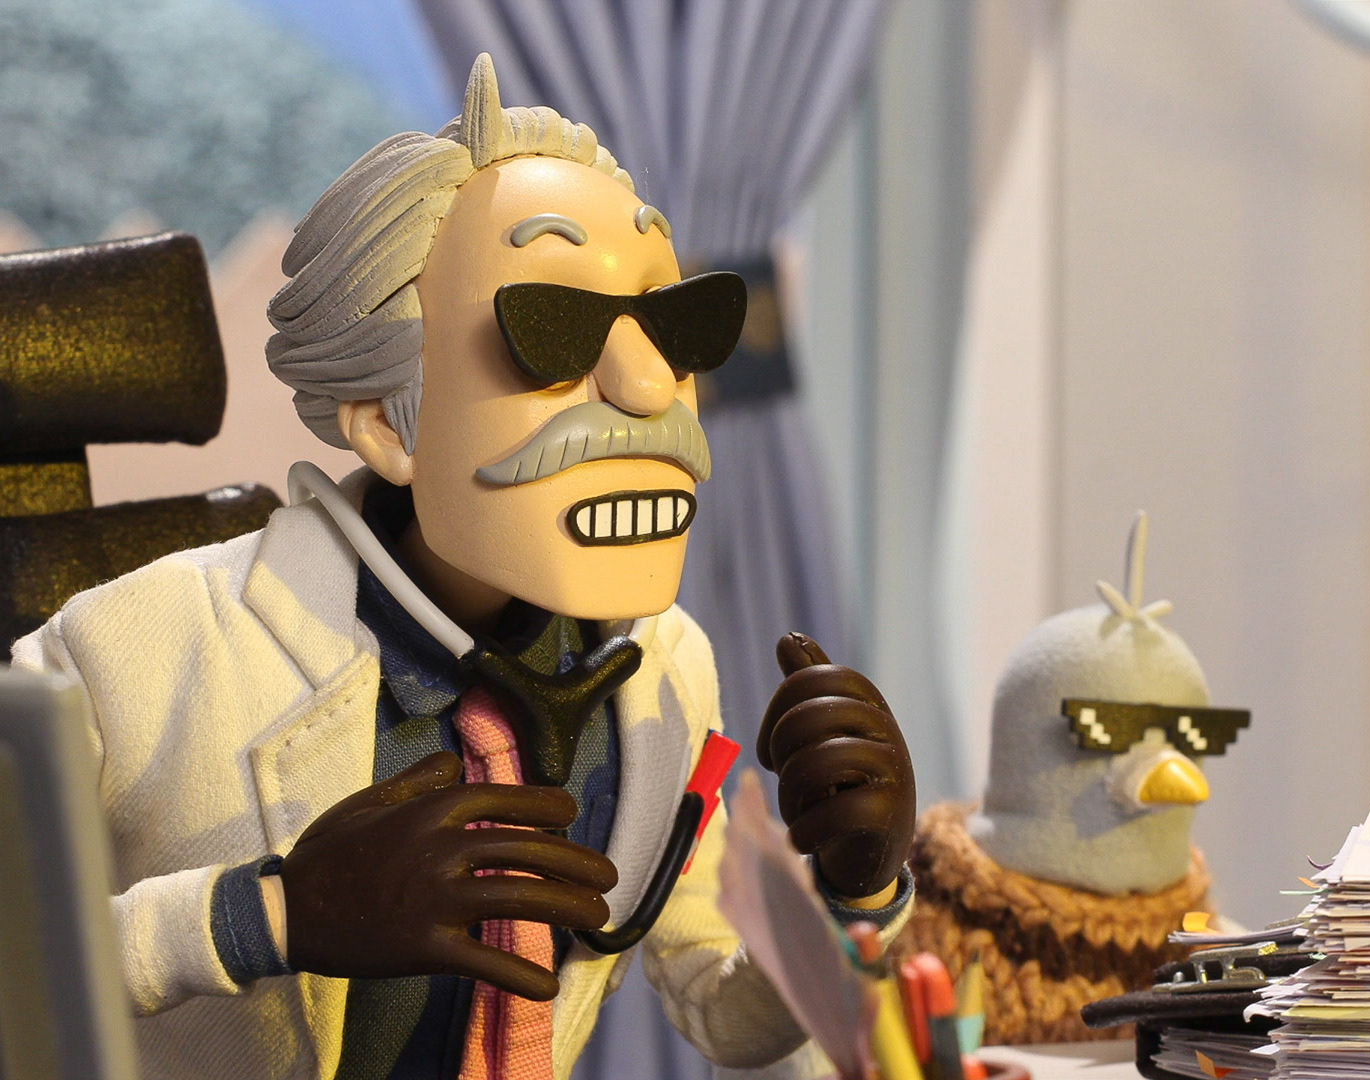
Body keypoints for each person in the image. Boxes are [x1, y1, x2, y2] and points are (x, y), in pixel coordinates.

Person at [13, 54, 916, 1080]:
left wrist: (858, 895)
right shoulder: (131, 651)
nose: (645, 387)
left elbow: (724, 1008)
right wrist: (265, 916)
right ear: (382, 423)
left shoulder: (663, 670)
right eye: (552, 333)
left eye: (676, 328)